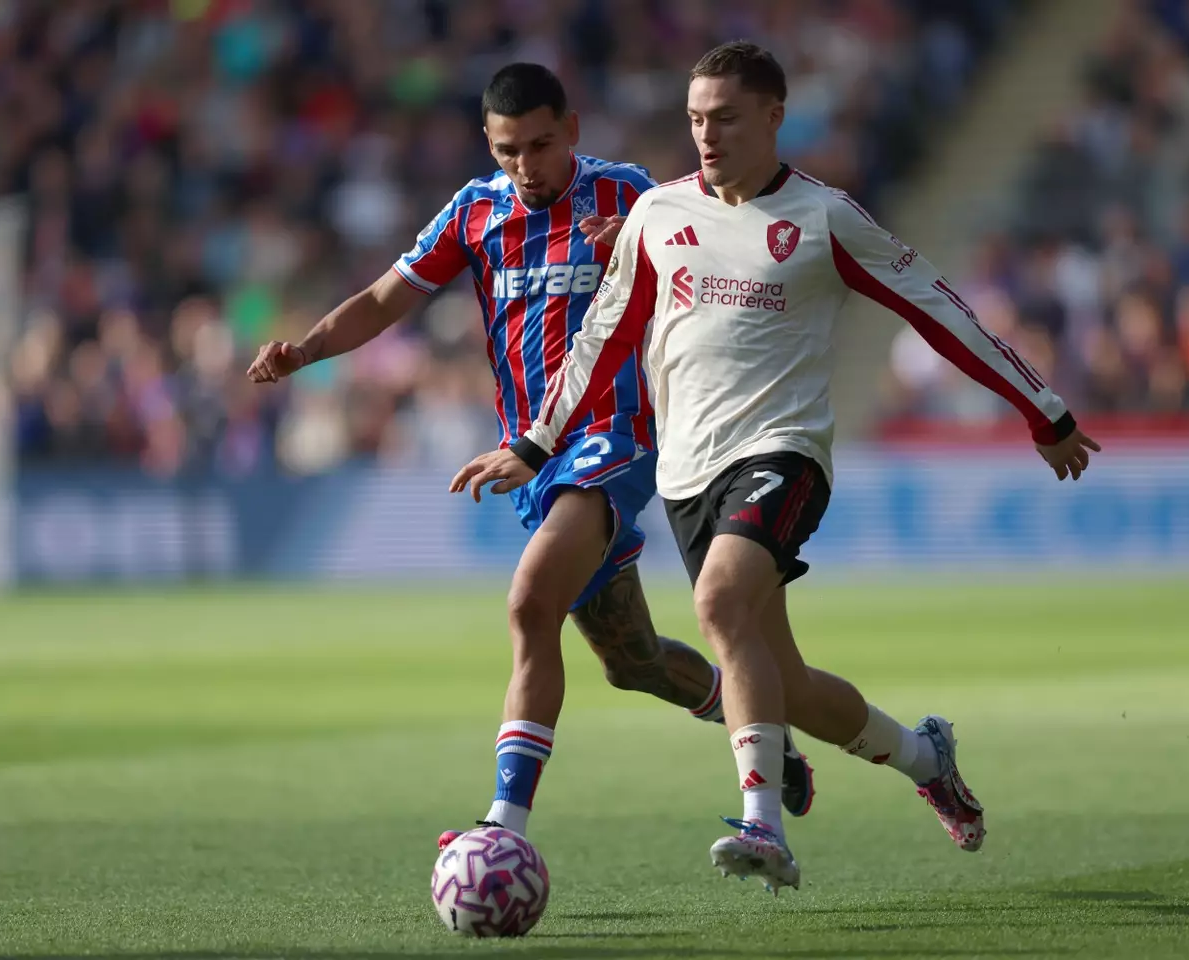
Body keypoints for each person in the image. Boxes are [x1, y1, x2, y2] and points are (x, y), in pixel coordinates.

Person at [451, 42, 1100, 893]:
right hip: (687, 474)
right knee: (781, 680)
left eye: (724, 118)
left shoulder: (826, 219)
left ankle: (762, 827)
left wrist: (1043, 410)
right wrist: (535, 442)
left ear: (773, 117)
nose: (706, 135)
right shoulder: (657, 216)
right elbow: (600, 339)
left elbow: (941, 311)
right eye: (694, 119)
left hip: (784, 452)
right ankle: (923, 756)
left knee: (719, 601)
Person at [246, 62, 815, 844]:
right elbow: (386, 298)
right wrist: (306, 350)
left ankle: (502, 826)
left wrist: (639, 250)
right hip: (534, 456)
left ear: (572, 131)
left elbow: (715, 263)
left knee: (527, 601)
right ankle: (756, 724)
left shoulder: (629, 194)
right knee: (633, 660)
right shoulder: (474, 212)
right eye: (510, 150)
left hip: (618, 437)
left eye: (542, 146)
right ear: (489, 142)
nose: (527, 166)